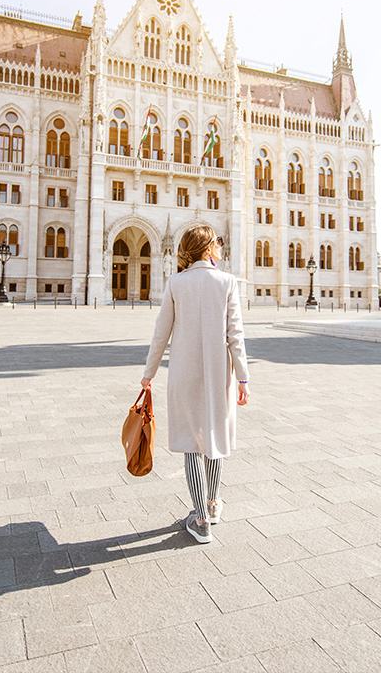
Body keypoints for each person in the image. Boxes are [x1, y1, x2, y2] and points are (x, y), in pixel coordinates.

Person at [141, 226, 250, 544]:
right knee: (214, 436)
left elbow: (161, 332)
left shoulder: (176, 282)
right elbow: (236, 335)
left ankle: (200, 518)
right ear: (207, 248)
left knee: (191, 442)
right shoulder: (227, 281)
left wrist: (149, 374)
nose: (219, 246)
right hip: (220, 373)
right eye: (216, 241)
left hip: (184, 372)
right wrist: (243, 377)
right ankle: (213, 506)